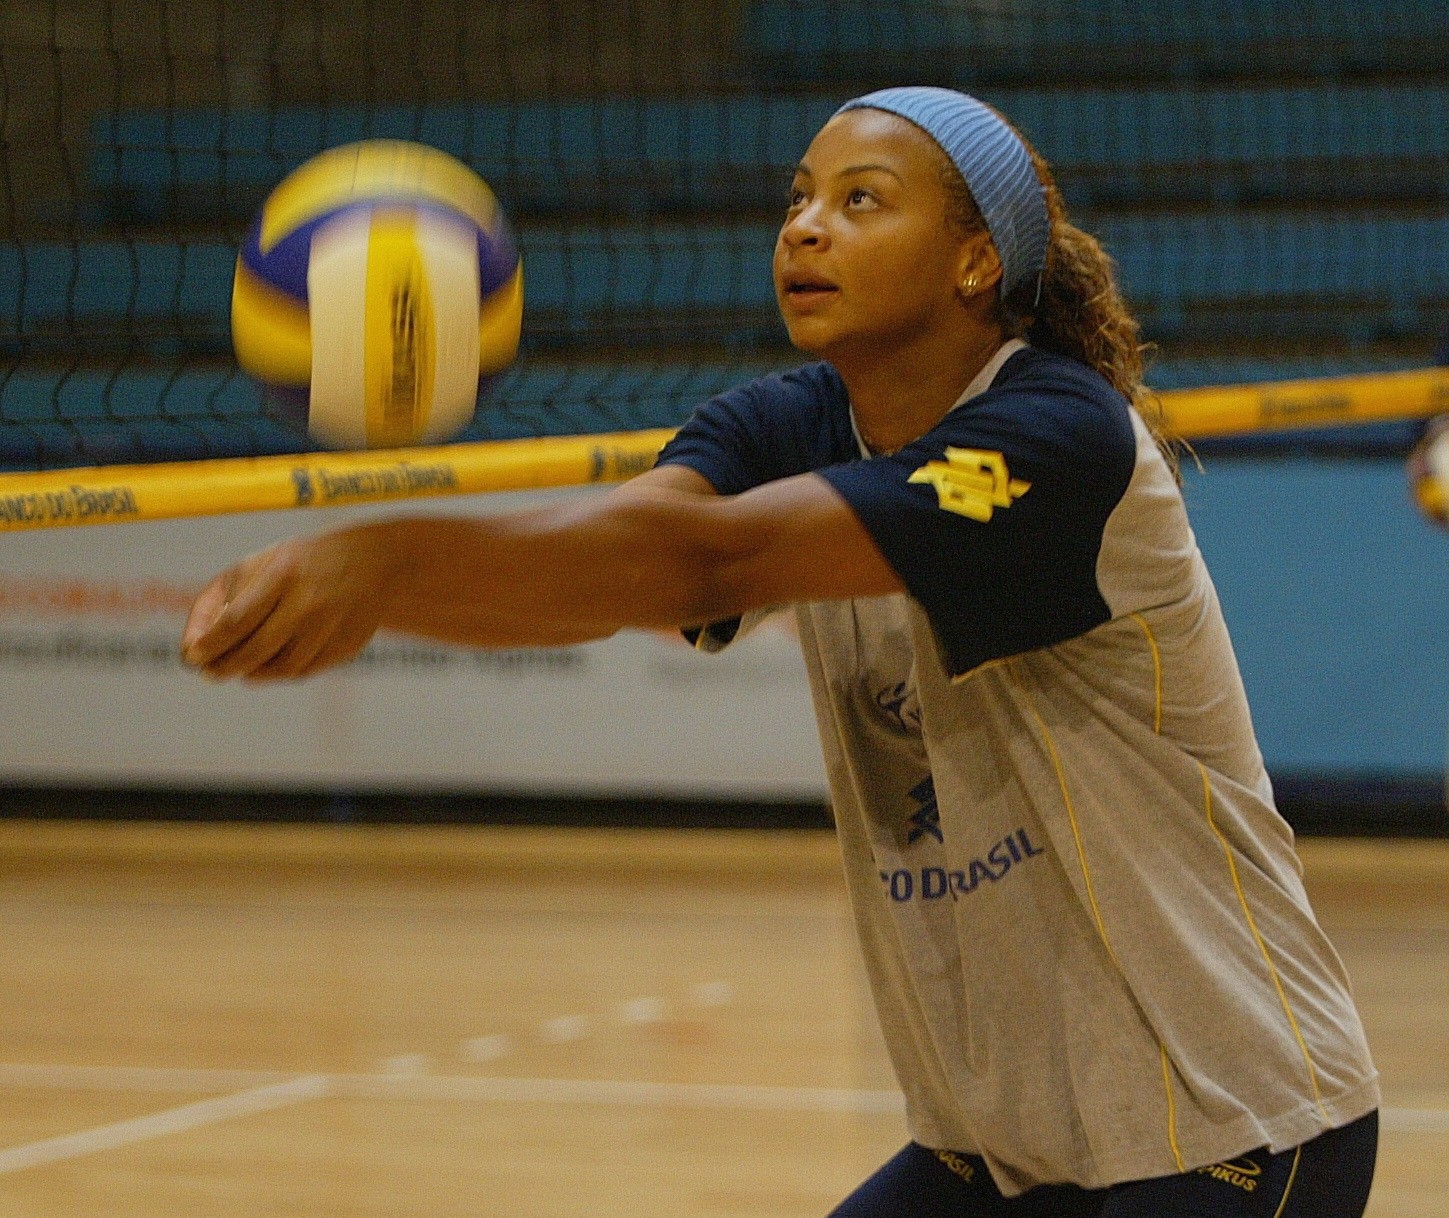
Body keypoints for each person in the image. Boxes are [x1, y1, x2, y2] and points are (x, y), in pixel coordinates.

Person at [182, 87, 1381, 1216]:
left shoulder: (1059, 434)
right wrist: (380, 592)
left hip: (1230, 1118)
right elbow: (628, 563)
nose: (806, 227)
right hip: (1009, 1145)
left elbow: (715, 564)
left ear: (977, 260)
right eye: (799, 197)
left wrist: (389, 562)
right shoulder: (783, 421)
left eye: (861, 200)